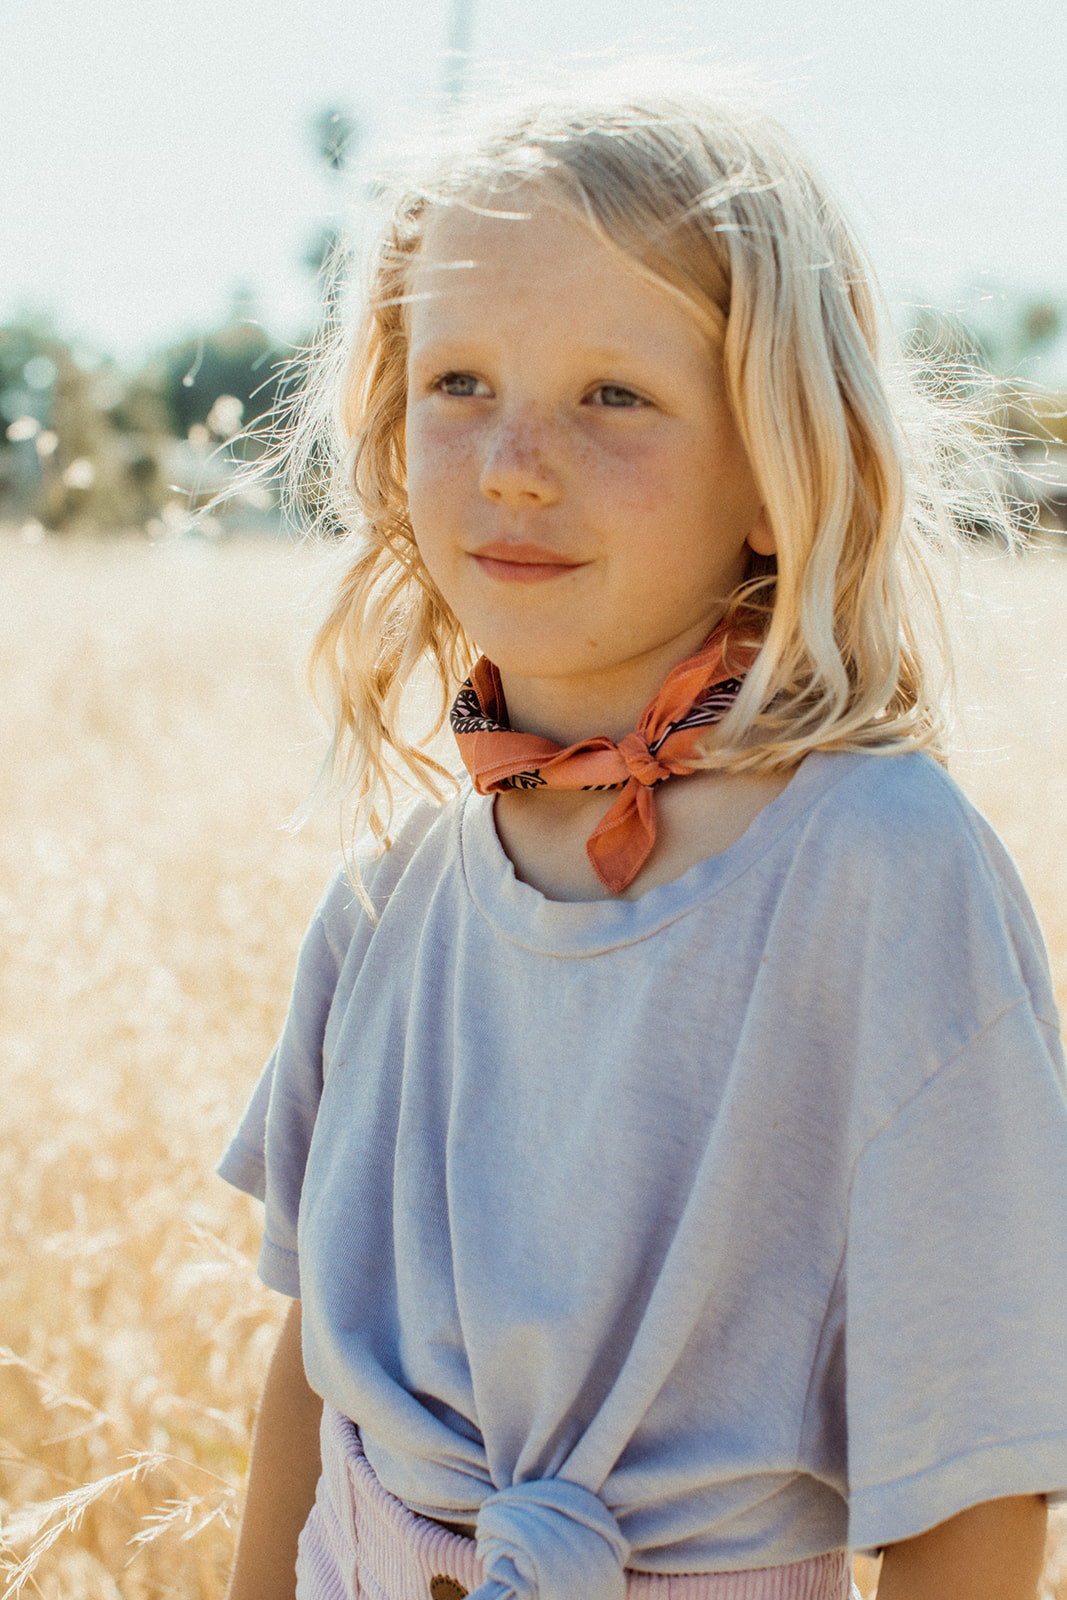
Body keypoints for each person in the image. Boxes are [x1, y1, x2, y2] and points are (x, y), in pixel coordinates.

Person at [217, 93, 1067, 1600]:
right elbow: (314, 1383)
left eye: (614, 394)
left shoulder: (879, 872)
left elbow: (979, 1500)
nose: (517, 460)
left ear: (775, 468)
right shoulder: (392, 894)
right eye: (460, 379)